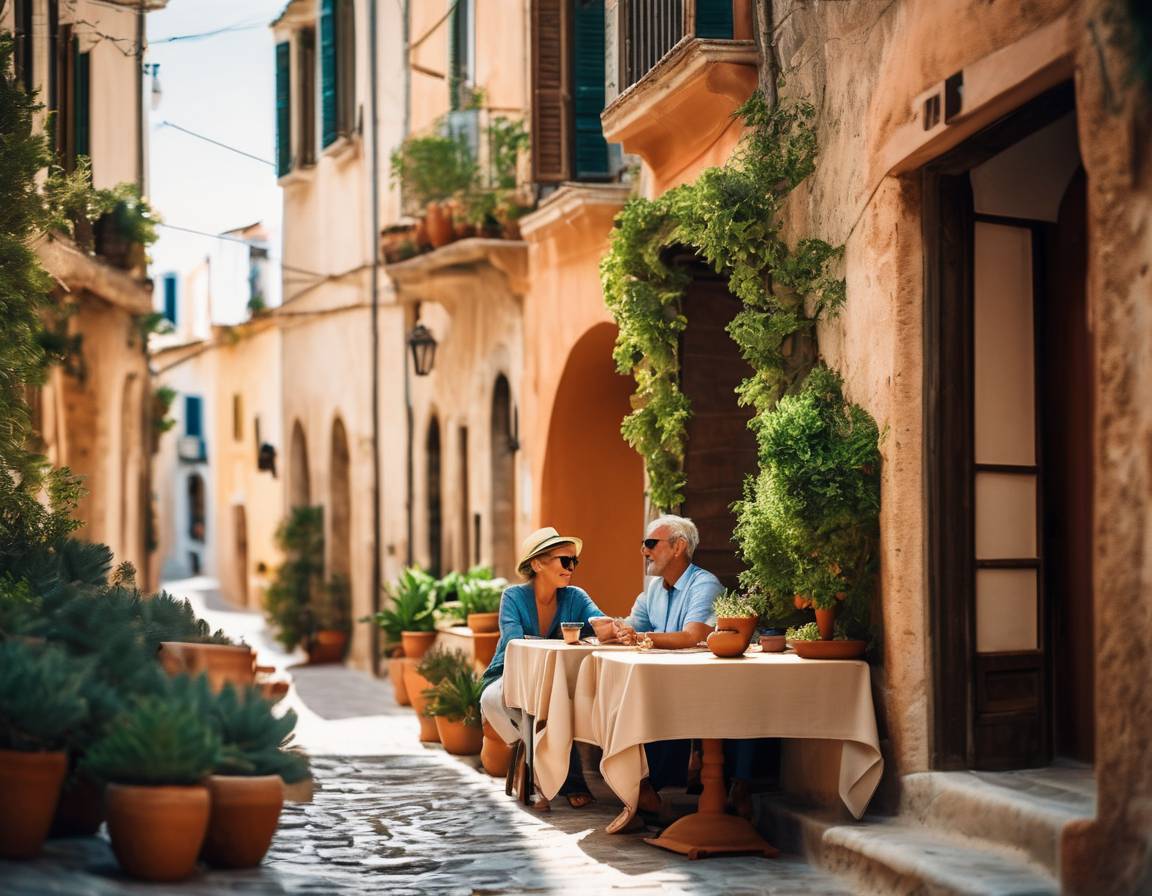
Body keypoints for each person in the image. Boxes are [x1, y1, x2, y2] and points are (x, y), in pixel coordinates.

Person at [589, 514, 722, 819]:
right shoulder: (652, 591)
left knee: (637, 699)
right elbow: (633, 627)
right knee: (609, 693)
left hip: (704, 686)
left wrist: (639, 635)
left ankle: (646, 785)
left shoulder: (704, 584)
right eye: (643, 544)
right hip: (665, 684)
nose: (644, 551)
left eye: (650, 543)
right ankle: (641, 784)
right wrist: (614, 629)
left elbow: (693, 636)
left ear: (678, 547)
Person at [480, 526, 606, 810]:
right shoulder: (513, 597)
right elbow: (513, 641)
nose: (571, 567)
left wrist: (612, 626)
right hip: (511, 675)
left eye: (574, 561)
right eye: (565, 560)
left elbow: (599, 621)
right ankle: (553, 775)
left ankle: (539, 775)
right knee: (496, 700)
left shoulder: (575, 596)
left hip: (559, 682)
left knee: (558, 703)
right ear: (537, 564)